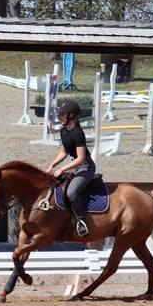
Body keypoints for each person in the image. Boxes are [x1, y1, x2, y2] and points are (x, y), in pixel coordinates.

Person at [45, 99, 95, 237]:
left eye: (62, 114)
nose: (59, 117)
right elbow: (64, 152)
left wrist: (62, 169)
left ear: (71, 115)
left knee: (71, 192)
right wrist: (52, 166)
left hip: (85, 167)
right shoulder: (63, 131)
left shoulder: (78, 133)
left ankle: (82, 222)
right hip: (75, 166)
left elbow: (81, 158)